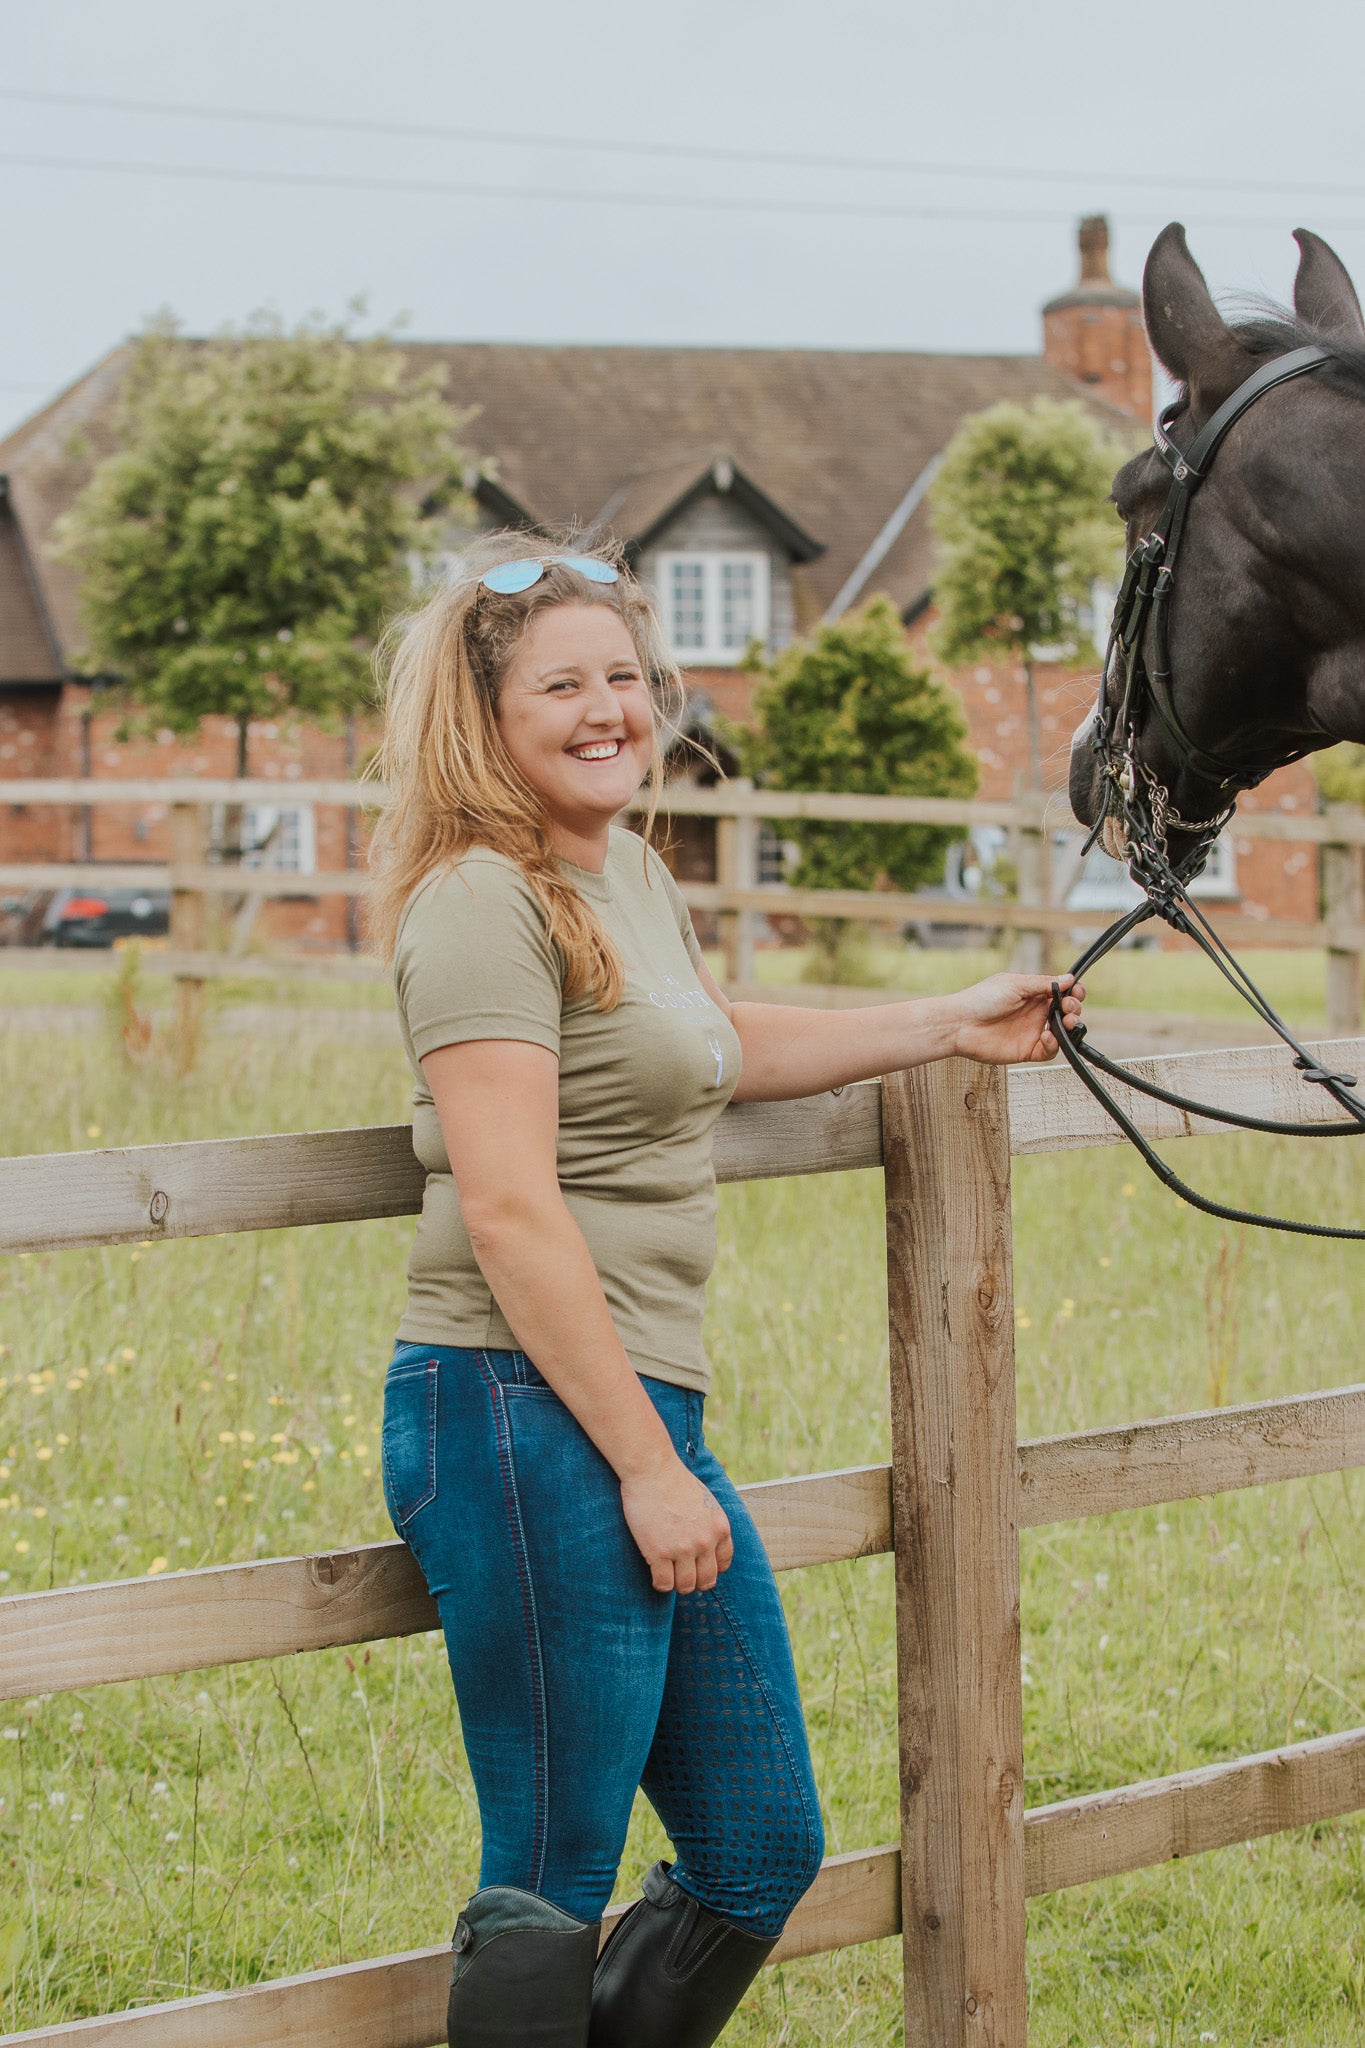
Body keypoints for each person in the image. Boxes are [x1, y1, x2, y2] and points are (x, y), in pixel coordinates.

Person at [366, 535, 1084, 2048]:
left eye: (622, 675)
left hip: (631, 1404)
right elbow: (506, 1208)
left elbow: (709, 1044)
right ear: (483, 716)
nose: (606, 707)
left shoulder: (618, 871)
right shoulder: (475, 903)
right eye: (561, 684)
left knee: (761, 1847)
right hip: (518, 1406)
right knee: (553, 1870)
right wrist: (643, 1467)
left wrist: (944, 1022)